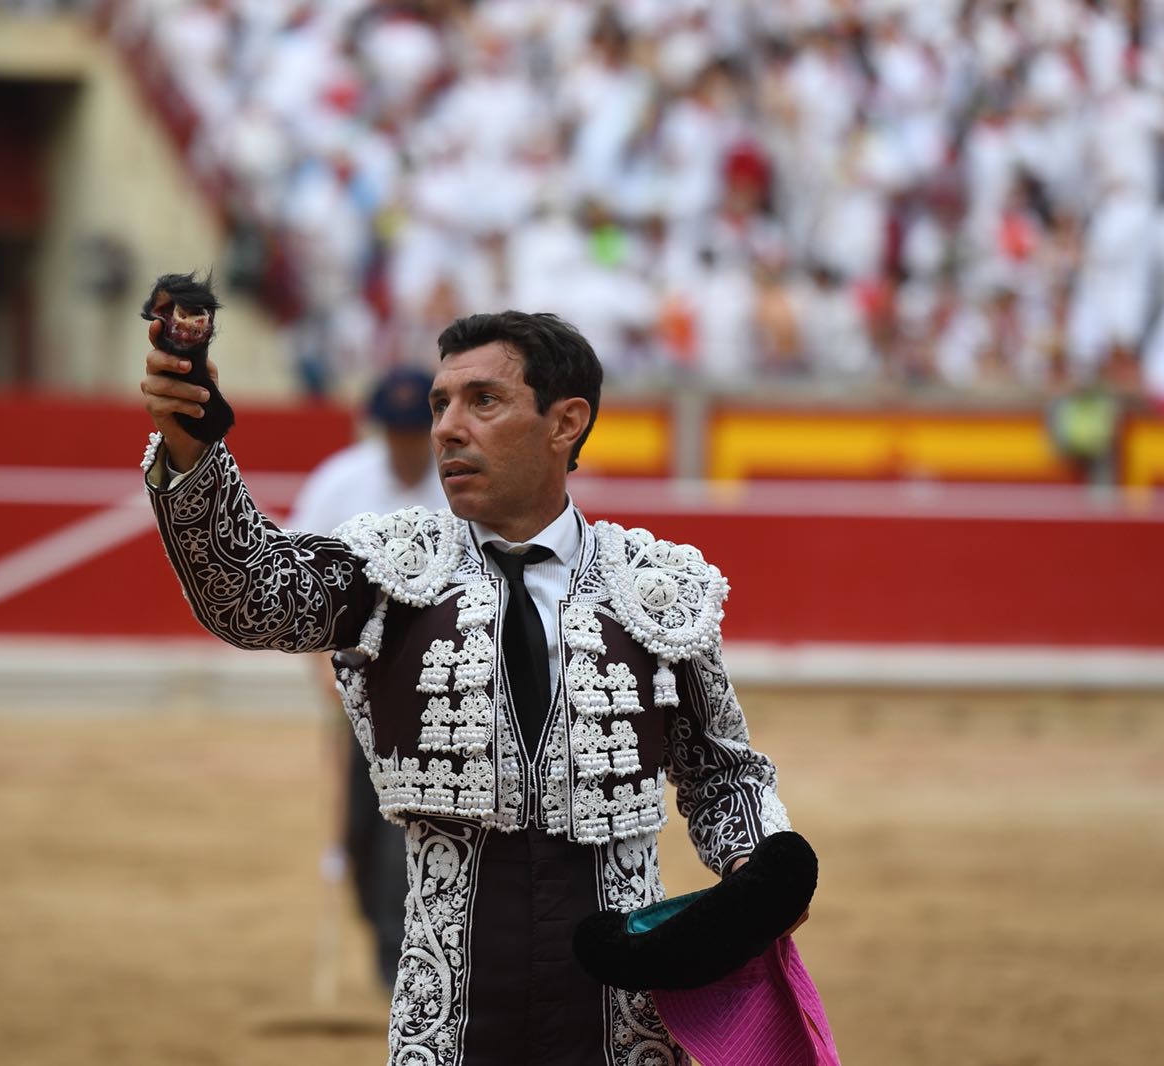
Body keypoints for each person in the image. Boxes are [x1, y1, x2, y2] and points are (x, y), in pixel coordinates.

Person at [139, 309, 796, 1065]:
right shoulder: (391, 569)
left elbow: (724, 776)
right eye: (439, 404)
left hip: (622, 1021)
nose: (447, 428)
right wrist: (193, 450)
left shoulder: (652, 588)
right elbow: (247, 597)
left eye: (483, 400)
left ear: (565, 422)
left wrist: (759, 879)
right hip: (447, 1021)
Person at [286, 367, 444, 991]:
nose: (407, 445)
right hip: (356, 681)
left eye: (416, 431)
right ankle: (382, 930)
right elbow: (297, 588)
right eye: (398, 431)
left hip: (439, 686)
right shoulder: (340, 482)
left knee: (402, 827)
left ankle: (400, 958)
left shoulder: (468, 483)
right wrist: (319, 670)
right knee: (358, 827)